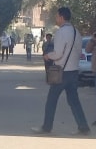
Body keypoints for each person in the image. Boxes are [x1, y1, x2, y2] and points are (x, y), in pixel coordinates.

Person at [32, 8, 90, 136]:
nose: (56, 18)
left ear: (62, 17)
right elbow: (78, 52)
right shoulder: (76, 32)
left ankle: (46, 127)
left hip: (62, 72)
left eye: (57, 16)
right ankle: (83, 126)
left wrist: (48, 56)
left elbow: (58, 53)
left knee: (52, 100)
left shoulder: (61, 32)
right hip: (74, 71)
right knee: (74, 101)